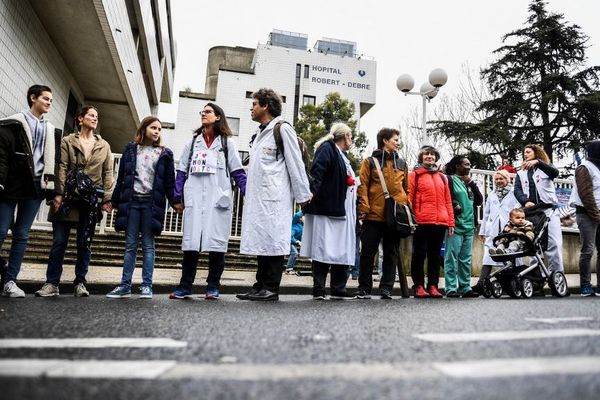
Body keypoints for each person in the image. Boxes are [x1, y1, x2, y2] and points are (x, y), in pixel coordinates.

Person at [237, 88, 311, 301]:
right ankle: (259, 285)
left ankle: (271, 287)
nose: (251, 108)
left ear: (266, 105)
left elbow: (295, 163)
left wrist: (303, 196)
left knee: (273, 240)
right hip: (260, 198)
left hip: (276, 197)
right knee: (263, 240)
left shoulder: (282, 129)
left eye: (254, 104)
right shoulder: (260, 133)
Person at [169, 103, 246, 300]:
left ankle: (213, 286)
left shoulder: (227, 143)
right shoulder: (193, 143)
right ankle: (185, 286)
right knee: (191, 244)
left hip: (217, 199)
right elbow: (181, 171)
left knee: (217, 244)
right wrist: (177, 197)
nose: (203, 114)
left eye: (208, 111)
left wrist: (248, 194)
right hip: (195, 198)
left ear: (218, 117)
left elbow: (237, 172)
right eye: (202, 112)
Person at [35, 105, 113, 297]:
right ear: (80, 118)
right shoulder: (68, 141)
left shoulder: (104, 145)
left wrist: (107, 198)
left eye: (97, 116)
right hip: (68, 198)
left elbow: (108, 172)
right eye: (91, 115)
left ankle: (80, 283)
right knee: (59, 243)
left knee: (84, 243)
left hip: (90, 200)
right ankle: (52, 283)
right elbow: (61, 166)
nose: (95, 118)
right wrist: (58, 194)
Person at [106, 116, 175, 299]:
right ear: (144, 128)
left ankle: (146, 286)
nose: (156, 132)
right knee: (130, 245)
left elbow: (169, 182)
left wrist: (176, 201)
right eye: (153, 128)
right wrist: (113, 201)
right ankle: (125, 286)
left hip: (150, 204)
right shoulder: (131, 150)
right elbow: (122, 178)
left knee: (148, 245)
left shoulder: (164, 153)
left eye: (159, 129)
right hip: (132, 202)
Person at [0, 85, 58, 297]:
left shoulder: (50, 129)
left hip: (35, 185)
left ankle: (10, 281)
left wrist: (52, 189)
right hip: (11, 184)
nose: (49, 102)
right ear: (33, 98)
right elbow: (2, 154)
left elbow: (50, 160)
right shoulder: (14, 123)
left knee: (22, 234)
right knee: (0, 229)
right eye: (45, 98)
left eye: (51, 99)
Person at [301, 123, 356, 300]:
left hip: (342, 208)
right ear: (345, 136)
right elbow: (317, 172)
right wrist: (310, 194)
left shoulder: (343, 156)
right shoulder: (327, 149)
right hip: (327, 207)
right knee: (323, 247)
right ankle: (319, 288)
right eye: (351, 136)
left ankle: (338, 287)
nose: (352, 140)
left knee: (341, 247)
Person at [355, 128, 409, 299]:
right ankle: (364, 288)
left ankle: (386, 288)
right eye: (395, 139)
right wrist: (364, 208)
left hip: (394, 216)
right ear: (385, 141)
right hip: (373, 215)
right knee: (368, 253)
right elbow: (363, 186)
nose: (398, 142)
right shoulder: (369, 162)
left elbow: (405, 189)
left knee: (391, 253)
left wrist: (405, 208)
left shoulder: (402, 164)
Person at [408, 145, 454, 298]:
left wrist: (451, 222)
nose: (430, 157)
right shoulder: (414, 175)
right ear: (421, 157)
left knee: (435, 256)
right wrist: (411, 219)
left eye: (432, 155)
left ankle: (433, 285)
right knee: (419, 255)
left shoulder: (442, 177)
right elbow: (410, 199)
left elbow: (448, 200)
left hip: (440, 222)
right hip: (421, 221)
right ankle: (419, 285)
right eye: (426, 154)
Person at [514, 144, 564, 273]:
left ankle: (557, 275)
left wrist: (539, 162)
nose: (525, 154)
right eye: (524, 152)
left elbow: (555, 173)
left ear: (536, 153)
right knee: (534, 244)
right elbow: (517, 190)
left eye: (528, 152)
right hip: (532, 212)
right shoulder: (521, 172)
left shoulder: (546, 167)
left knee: (554, 244)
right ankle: (537, 278)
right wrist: (525, 202)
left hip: (549, 210)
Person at [473, 169, 519, 293]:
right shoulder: (492, 194)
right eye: (496, 179)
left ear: (507, 179)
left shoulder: (514, 193)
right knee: (488, 256)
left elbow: (519, 211)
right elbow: (486, 213)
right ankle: (481, 283)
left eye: (501, 179)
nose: (498, 181)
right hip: (493, 230)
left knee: (509, 256)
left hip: (509, 230)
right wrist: (482, 231)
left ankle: (511, 284)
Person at [443, 155, 483, 298]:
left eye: (469, 164)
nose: (469, 166)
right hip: (455, 225)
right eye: (466, 164)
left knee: (466, 258)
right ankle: (451, 288)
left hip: (469, 225)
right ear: (457, 166)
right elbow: (445, 198)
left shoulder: (469, 182)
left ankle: (465, 287)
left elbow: (479, 201)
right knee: (451, 258)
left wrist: (471, 183)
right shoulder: (449, 179)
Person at [569, 139, 600, 297]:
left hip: (598, 214)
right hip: (587, 214)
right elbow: (586, 194)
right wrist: (596, 215)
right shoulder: (584, 167)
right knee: (587, 251)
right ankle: (585, 285)